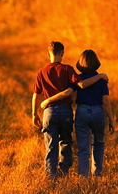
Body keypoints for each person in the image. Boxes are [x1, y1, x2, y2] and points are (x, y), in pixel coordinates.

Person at [32, 42, 108, 180]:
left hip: (48, 112)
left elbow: (36, 95)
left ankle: (51, 176)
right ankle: (64, 172)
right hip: (66, 111)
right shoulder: (67, 69)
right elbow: (80, 85)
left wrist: (34, 113)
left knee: (50, 145)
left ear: (47, 54)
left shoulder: (41, 72)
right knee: (65, 141)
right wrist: (100, 76)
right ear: (62, 53)